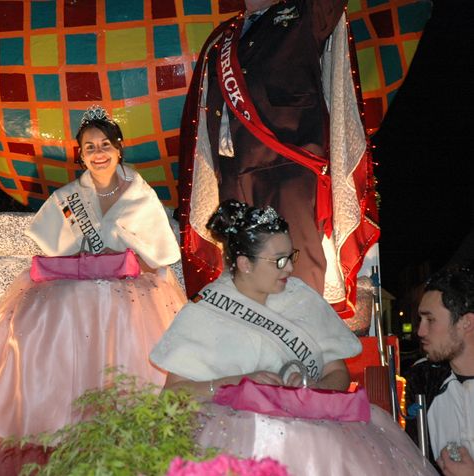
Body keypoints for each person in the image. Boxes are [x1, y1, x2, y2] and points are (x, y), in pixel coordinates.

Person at [0, 105, 186, 474]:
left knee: (109, 306)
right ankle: (55, 419)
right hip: (77, 285)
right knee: (60, 304)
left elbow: (160, 255)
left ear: (119, 149)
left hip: (132, 290)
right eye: (89, 147)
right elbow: (54, 247)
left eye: (105, 145)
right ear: (80, 154)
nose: (99, 153)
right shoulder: (70, 198)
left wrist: (126, 252)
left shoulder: (140, 194)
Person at [150, 200, 438, 475]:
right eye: (278, 261)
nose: (289, 268)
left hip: (314, 442)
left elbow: (337, 372)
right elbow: (173, 395)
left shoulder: (302, 297)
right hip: (231, 444)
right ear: (245, 263)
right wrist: (236, 383)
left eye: (291, 257)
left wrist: (315, 387)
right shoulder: (207, 308)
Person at [177, 0, 379, 314]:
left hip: (289, 163)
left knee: (294, 265)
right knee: (243, 273)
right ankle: (256, 352)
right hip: (232, 171)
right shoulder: (223, 37)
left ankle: (303, 349)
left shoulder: (305, 13)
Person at [405, 266, 474, 475]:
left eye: (430, 320)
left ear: (466, 322)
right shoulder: (423, 382)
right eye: (420, 320)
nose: (420, 331)